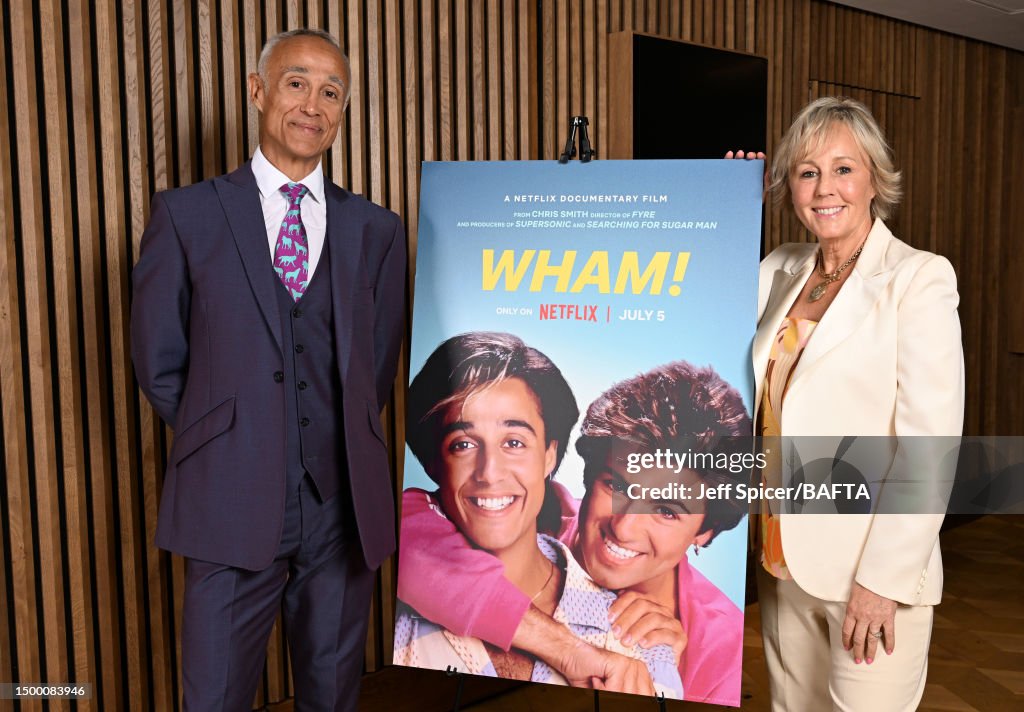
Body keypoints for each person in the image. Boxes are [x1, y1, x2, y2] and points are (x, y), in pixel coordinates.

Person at [130, 28, 406, 711]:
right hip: (228, 504)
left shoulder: (376, 230)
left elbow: (373, 366)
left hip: (341, 510)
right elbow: (158, 361)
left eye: (331, 91)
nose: (313, 104)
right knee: (216, 698)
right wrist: (232, 434)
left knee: (333, 697)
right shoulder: (187, 215)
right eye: (296, 83)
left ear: (342, 112)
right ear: (258, 92)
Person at [740, 96, 964, 710]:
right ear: (789, 186)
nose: (824, 188)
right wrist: (728, 203)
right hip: (781, 560)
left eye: (843, 168)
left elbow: (929, 451)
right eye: (807, 172)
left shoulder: (917, 279)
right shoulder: (778, 271)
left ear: (874, 180)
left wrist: (882, 583)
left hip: (868, 573)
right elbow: (696, 306)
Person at [398, 359, 750, 706]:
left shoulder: (720, 644)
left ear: (706, 530)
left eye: (665, 511)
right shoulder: (531, 512)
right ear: (590, 474)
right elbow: (401, 526)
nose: (624, 527)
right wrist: (565, 649)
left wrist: (662, 670)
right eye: (617, 485)